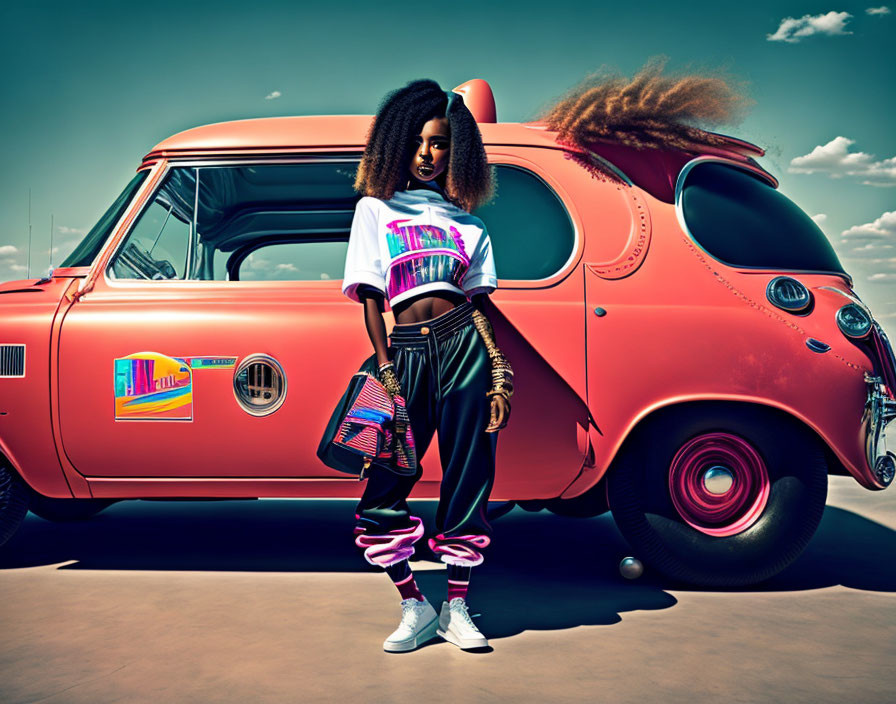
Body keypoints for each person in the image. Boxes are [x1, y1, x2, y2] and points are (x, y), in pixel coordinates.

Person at [340, 79, 513, 652]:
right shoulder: (374, 210)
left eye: (439, 144)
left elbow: (481, 307)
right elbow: (370, 298)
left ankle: (457, 607)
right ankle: (414, 604)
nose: (426, 153)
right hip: (407, 351)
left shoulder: (470, 224)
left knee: (469, 479)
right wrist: (387, 370)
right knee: (385, 486)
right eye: (416, 141)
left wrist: (498, 373)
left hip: (465, 348)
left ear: (456, 152)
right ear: (395, 144)